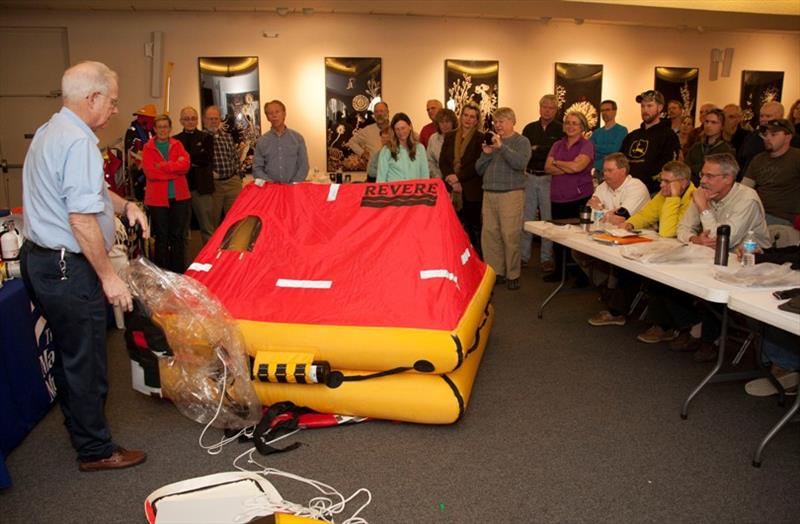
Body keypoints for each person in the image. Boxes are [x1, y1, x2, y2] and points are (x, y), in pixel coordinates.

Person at [20, 61, 149, 472]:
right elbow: (80, 218)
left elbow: (92, 191)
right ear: (92, 97)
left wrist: (126, 204)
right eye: (111, 101)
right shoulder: (78, 143)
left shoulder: (51, 131)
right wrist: (109, 278)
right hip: (67, 267)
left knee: (70, 352)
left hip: (41, 261)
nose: (114, 109)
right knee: (88, 358)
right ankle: (95, 450)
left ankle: (80, 428)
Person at [476, 107, 532, 290]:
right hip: (489, 193)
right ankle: (496, 272)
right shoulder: (490, 142)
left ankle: (513, 273)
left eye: (502, 121)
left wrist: (502, 147)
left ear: (512, 122)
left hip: (511, 194)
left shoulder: (521, 141)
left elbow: (520, 163)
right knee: (490, 235)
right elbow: (479, 169)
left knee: (510, 234)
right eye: (496, 121)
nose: (497, 125)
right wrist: (486, 153)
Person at [544, 111, 595, 282]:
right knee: (558, 237)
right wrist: (569, 166)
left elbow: (577, 168)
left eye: (575, 123)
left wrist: (558, 163)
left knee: (577, 239)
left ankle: (581, 275)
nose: (570, 126)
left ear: (582, 127)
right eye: (568, 123)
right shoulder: (557, 145)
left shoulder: (586, 145)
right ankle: (559, 272)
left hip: (579, 198)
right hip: (557, 197)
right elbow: (547, 168)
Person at [142, 114, 191, 273]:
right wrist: (174, 169)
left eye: (165, 126)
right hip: (157, 200)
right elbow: (151, 173)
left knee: (178, 236)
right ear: (155, 129)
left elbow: (185, 166)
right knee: (162, 237)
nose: (163, 130)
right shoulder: (148, 148)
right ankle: (161, 273)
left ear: (170, 128)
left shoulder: (178, 144)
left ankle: (178, 272)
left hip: (179, 197)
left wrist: (163, 166)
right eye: (159, 127)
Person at [520, 94, 563, 274]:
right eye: (544, 106)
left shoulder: (561, 129)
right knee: (527, 219)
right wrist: (540, 151)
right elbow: (524, 153)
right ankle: (523, 256)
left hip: (548, 178)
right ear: (539, 108)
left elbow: (556, 155)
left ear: (556, 110)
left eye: (551, 108)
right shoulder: (529, 128)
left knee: (547, 220)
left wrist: (538, 149)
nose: (547, 110)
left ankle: (546, 258)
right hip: (529, 177)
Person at [440, 102, 485, 253]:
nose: (468, 119)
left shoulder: (481, 138)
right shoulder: (450, 135)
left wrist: (458, 179)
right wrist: (450, 177)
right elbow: (443, 161)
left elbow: (477, 165)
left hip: (472, 190)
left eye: (472, 117)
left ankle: (477, 260)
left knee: (473, 228)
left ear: (477, 120)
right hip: (452, 189)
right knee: (455, 227)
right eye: (465, 115)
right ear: (461, 116)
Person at [620, 90, 680, 193]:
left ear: (660, 107)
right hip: (627, 189)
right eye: (642, 106)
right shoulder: (632, 135)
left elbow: (669, 165)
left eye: (649, 106)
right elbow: (621, 161)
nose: (645, 110)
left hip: (653, 191)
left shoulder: (668, 136)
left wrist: (644, 181)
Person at [741, 118, 800, 225]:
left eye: (773, 134)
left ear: (788, 137)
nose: (767, 138)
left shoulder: (796, 157)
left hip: (782, 218)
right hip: (757, 213)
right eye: (766, 134)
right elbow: (744, 188)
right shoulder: (758, 159)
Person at [174, 106, 215, 244]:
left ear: (197, 120)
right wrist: (194, 159)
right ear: (181, 121)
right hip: (182, 190)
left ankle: (211, 263)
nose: (190, 121)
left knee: (207, 229)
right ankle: (184, 264)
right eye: (186, 119)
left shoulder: (207, 137)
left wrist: (185, 161)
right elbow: (175, 163)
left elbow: (206, 159)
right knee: (183, 230)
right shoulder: (175, 141)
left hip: (202, 189)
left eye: (193, 118)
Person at [253, 100, 309, 183]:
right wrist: (272, 184)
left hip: (293, 189)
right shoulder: (261, 141)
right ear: (267, 117)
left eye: (277, 112)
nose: (274, 115)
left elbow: (303, 166)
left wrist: (293, 184)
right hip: (271, 190)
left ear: (284, 114)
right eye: (270, 113)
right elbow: (257, 169)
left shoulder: (298, 138)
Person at [586, 153, 650, 227]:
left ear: (623, 171)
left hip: (641, 234)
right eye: (604, 170)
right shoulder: (602, 187)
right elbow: (589, 213)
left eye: (609, 170)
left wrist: (600, 209)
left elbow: (620, 218)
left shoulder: (636, 187)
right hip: (609, 233)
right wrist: (606, 213)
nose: (605, 174)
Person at [204, 105, 241, 228]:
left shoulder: (227, 137)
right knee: (212, 221)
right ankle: (214, 247)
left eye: (216, 118)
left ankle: (232, 247)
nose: (213, 121)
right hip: (214, 186)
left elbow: (235, 158)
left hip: (232, 183)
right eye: (210, 118)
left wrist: (237, 177)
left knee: (236, 220)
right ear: (204, 120)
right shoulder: (202, 138)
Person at [684, 108, 734, 184]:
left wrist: (695, 169)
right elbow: (685, 170)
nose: (708, 125)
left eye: (714, 122)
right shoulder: (696, 147)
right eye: (706, 122)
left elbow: (719, 174)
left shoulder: (726, 150)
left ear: (722, 126)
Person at [376, 113, 429, 182]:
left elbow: (425, 175)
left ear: (410, 126)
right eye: (397, 129)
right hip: (393, 192)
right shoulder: (386, 150)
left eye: (403, 128)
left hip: (415, 192)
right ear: (394, 131)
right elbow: (381, 179)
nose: (401, 132)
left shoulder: (420, 148)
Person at [738, 101, 784, 175]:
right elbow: (741, 159)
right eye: (761, 116)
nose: (763, 119)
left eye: (768, 116)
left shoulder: (787, 139)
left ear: (780, 117)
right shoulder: (751, 136)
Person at [348, 101, 390, 182]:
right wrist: (362, 153)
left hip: (392, 174)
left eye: (381, 111)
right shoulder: (368, 130)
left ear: (388, 112)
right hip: (374, 175)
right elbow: (351, 142)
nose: (379, 114)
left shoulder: (396, 128)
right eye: (376, 112)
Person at [124, 103, 156, 200]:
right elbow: (131, 152)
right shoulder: (132, 131)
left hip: (154, 173)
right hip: (139, 173)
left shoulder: (152, 131)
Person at [589, 99, 628, 178]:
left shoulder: (622, 130)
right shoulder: (596, 132)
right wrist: (606, 151)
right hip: (596, 171)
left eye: (607, 110)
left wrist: (596, 146)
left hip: (613, 172)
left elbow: (614, 150)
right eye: (602, 110)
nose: (604, 113)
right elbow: (589, 150)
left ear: (615, 111)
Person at [426, 108, 457, 179]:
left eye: (447, 121)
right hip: (438, 179)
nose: (444, 125)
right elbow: (430, 161)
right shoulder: (433, 138)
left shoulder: (459, 137)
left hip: (457, 179)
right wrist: (438, 177)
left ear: (453, 122)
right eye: (441, 122)